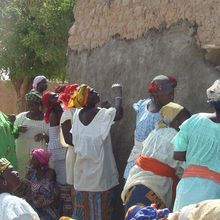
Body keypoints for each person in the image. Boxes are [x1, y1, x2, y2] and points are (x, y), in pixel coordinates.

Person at [121, 102, 191, 212]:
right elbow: (184, 168)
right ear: (175, 120)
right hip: (154, 191)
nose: (188, 125)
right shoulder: (176, 137)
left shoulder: (155, 132)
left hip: (133, 186)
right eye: (185, 121)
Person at [70, 83, 123, 220]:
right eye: (92, 93)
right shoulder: (102, 114)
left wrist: (103, 109)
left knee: (84, 215)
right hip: (100, 179)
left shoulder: (77, 115)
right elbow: (118, 114)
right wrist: (118, 96)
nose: (96, 92)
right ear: (86, 100)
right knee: (102, 214)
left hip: (82, 178)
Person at [172, 79, 220, 211]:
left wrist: (198, 158)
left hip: (187, 187)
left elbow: (178, 154)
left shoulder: (195, 120)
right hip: (214, 194)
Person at [124, 75, 177, 179]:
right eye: (169, 94)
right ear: (155, 95)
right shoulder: (144, 105)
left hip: (153, 166)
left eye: (173, 94)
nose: (172, 97)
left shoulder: (170, 112)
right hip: (138, 164)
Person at [42, 91, 71, 216]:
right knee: (63, 182)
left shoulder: (59, 111)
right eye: (53, 97)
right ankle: (66, 213)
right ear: (50, 103)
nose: (57, 97)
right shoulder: (57, 114)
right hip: (59, 152)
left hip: (59, 150)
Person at [15, 91, 49, 178]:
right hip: (22, 153)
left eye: (33, 104)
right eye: (28, 105)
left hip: (38, 158)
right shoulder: (21, 118)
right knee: (21, 175)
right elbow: (13, 134)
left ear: (39, 105)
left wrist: (43, 135)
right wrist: (18, 129)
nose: (30, 107)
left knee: (36, 177)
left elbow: (51, 139)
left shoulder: (46, 120)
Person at [23, 149, 58, 220]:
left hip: (47, 208)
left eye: (34, 159)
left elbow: (48, 193)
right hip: (33, 207)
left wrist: (31, 186)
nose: (31, 161)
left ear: (40, 161)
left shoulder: (50, 173)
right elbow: (25, 188)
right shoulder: (31, 172)